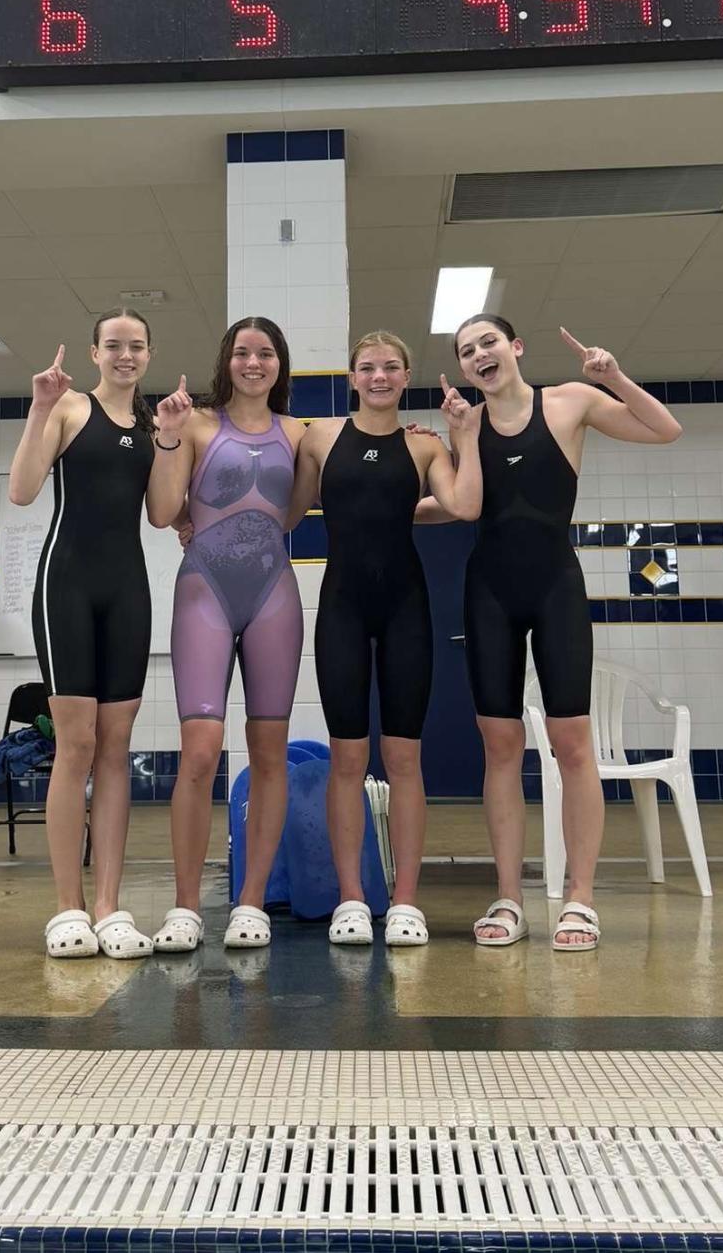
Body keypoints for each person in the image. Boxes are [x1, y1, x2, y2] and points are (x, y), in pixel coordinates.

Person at [452, 318, 683, 951]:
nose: (479, 355)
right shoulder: (466, 427)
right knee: (499, 744)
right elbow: (454, 502)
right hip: (488, 592)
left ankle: (580, 897)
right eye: (466, 351)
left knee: (572, 742)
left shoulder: (569, 402)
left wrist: (614, 378)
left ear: (516, 348)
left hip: (555, 585)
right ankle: (508, 896)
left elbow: (665, 430)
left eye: (488, 343)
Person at [287, 330, 482, 949]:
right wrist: (195, 521)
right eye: (367, 367)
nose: (378, 376)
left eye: (390, 367)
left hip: (406, 610)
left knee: (403, 760)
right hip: (341, 610)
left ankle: (403, 903)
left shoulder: (423, 447)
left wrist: (465, 436)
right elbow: (284, 512)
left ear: (405, 377)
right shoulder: (319, 437)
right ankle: (351, 898)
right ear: (351, 377)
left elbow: (464, 506)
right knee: (347, 759)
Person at [147, 316, 305, 953]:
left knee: (270, 752)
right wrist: (165, 435)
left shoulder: (301, 433)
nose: (253, 363)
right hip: (205, 591)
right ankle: (186, 908)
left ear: (279, 364)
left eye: (265, 353)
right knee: (202, 749)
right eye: (242, 352)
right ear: (225, 360)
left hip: (274, 595)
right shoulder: (198, 427)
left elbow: (293, 512)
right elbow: (162, 513)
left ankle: (250, 904)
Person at [9, 310, 159, 960]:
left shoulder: (152, 428)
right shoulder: (69, 407)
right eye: (114, 345)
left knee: (116, 747)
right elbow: (20, 491)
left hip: (128, 587)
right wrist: (39, 406)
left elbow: (162, 511)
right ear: (96, 352)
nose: (125, 355)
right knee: (76, 743)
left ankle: (108, 906)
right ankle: (67, 907)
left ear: (148, 355)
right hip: (66, 584)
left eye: (136, 346)